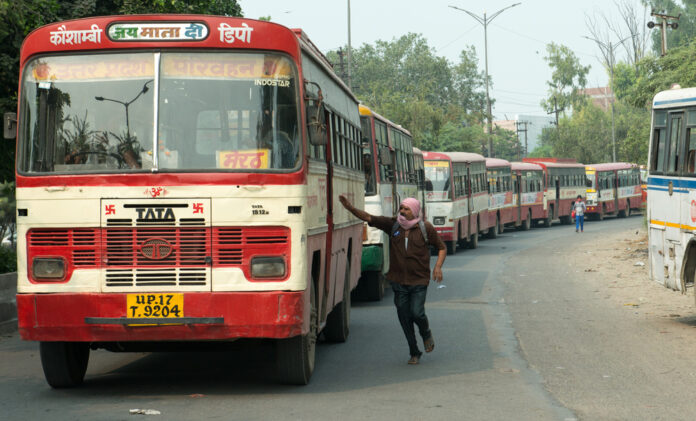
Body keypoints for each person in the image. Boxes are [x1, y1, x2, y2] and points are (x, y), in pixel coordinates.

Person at [338, 195, 447, 365]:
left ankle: (425, 333)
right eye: (401, 208)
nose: (402, 211)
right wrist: (350, 208)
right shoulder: (393, 225)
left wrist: (438, 267)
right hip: (398, 281)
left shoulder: (425, 228)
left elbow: (442, 247)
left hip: (419, 280)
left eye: (406, 209)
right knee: (404, 317)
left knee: (417, 313)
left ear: (415, 212)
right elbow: (368, 217)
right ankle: (414, 351)